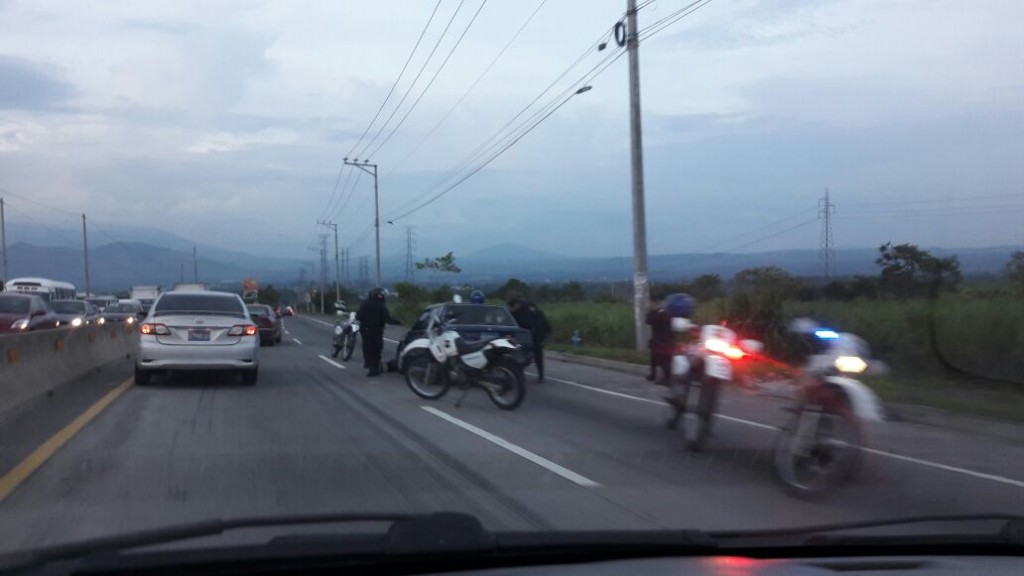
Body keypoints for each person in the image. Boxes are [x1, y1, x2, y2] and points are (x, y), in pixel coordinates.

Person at [356, 287, 400, 377]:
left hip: (366, 330)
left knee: (368, 348)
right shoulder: (382, 306)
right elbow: (388, 319)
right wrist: (398, 322)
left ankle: (371, 366)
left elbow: (358, 316)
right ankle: (375, 366)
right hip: (378, 330)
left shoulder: (365, 304)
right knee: (377, 349)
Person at [508, 298, 552, 382]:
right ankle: (521, 375)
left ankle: (541, 375)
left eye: (513, 307)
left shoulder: (530, 309)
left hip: (535, 336)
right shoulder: (514, 312)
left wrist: (540, 334)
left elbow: (540, 321)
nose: (512, 309)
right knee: (518, 353)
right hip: (521, 338)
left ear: (516, 305)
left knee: (537, 355)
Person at [645, 301, 673, 384]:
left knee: (663, 360)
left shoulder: (661, 314)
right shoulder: (663, 314)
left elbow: (649, 320)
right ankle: (653, 375)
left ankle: (666, 379)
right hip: (660, 340)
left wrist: (650, 312)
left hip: (662, 341)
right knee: (654, 359)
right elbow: (648, 321)